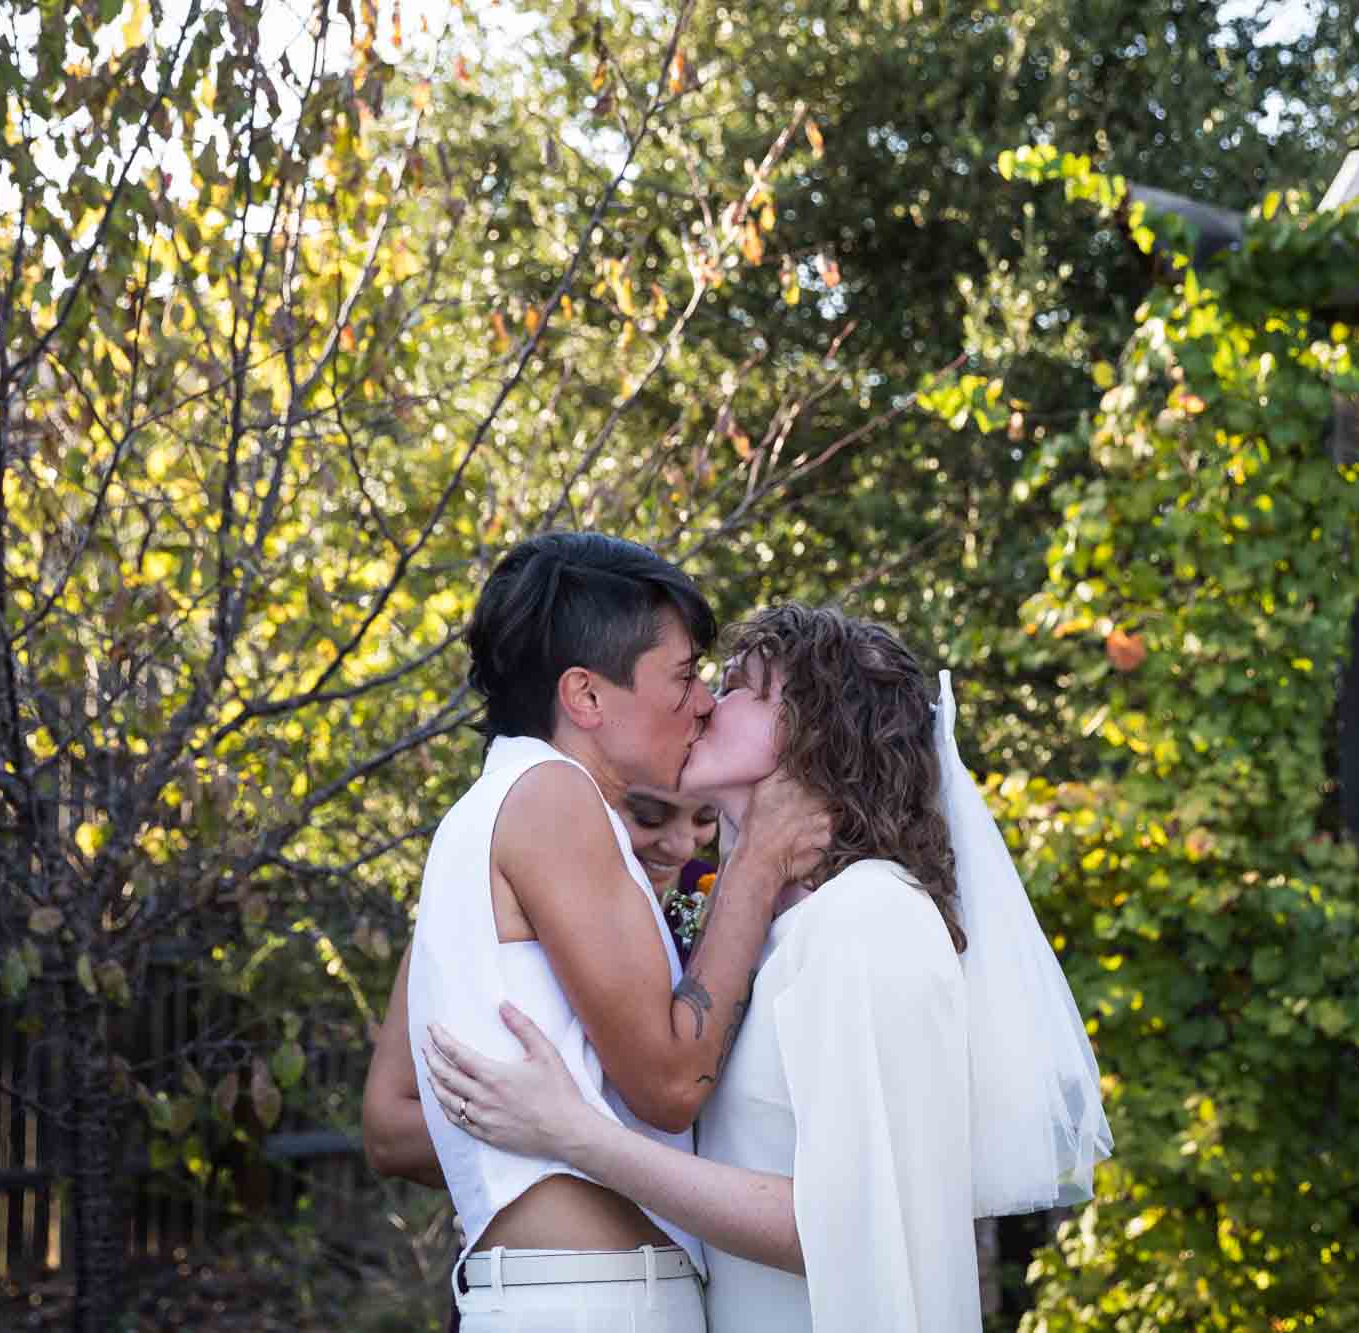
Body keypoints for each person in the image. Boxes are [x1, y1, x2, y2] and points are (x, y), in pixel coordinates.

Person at [423, 604, 1113, 1332]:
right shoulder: (783, 937)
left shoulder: (871, 917)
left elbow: (842, 1223)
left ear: (816, 733)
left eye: (745, 687)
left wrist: (579, 1136)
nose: (707, 705)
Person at [377, 533, 829, 1333]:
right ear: (585, 697)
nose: (703, 703)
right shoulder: (551, 796)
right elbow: (667, 1082)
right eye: (685, 675)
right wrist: (757, 862)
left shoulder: (504, 803)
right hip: (594, 1301)